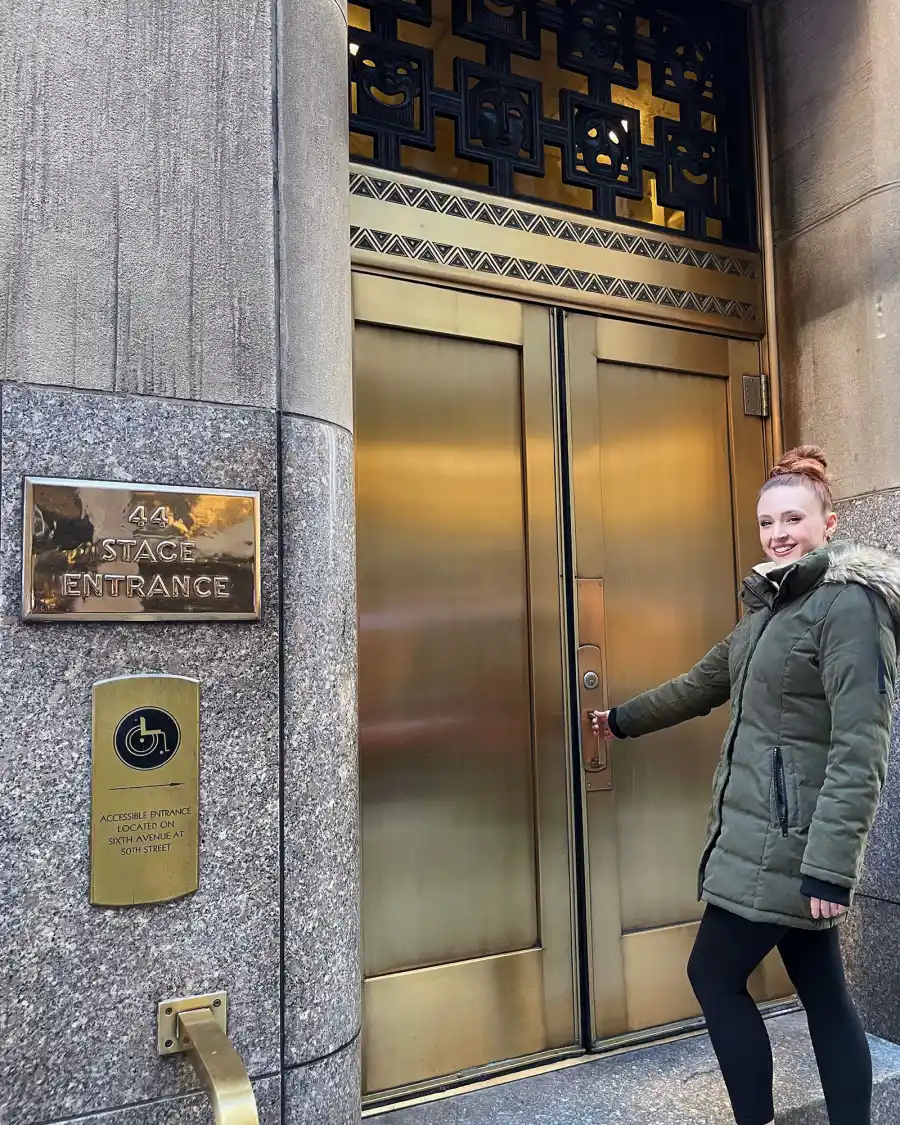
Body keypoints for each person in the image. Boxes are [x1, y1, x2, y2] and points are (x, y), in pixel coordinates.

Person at [591, 446, 900, 1125]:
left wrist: (829, 868)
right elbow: (701, 683)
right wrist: (620, 720)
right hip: (765, 834)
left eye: (793, 518)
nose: (778, 533)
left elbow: (861, 744)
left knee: (713, 975)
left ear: (829, 522)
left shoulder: (849, 608)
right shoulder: (770, 610)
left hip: (790, 846)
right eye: (767, 522)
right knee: (824, 994)